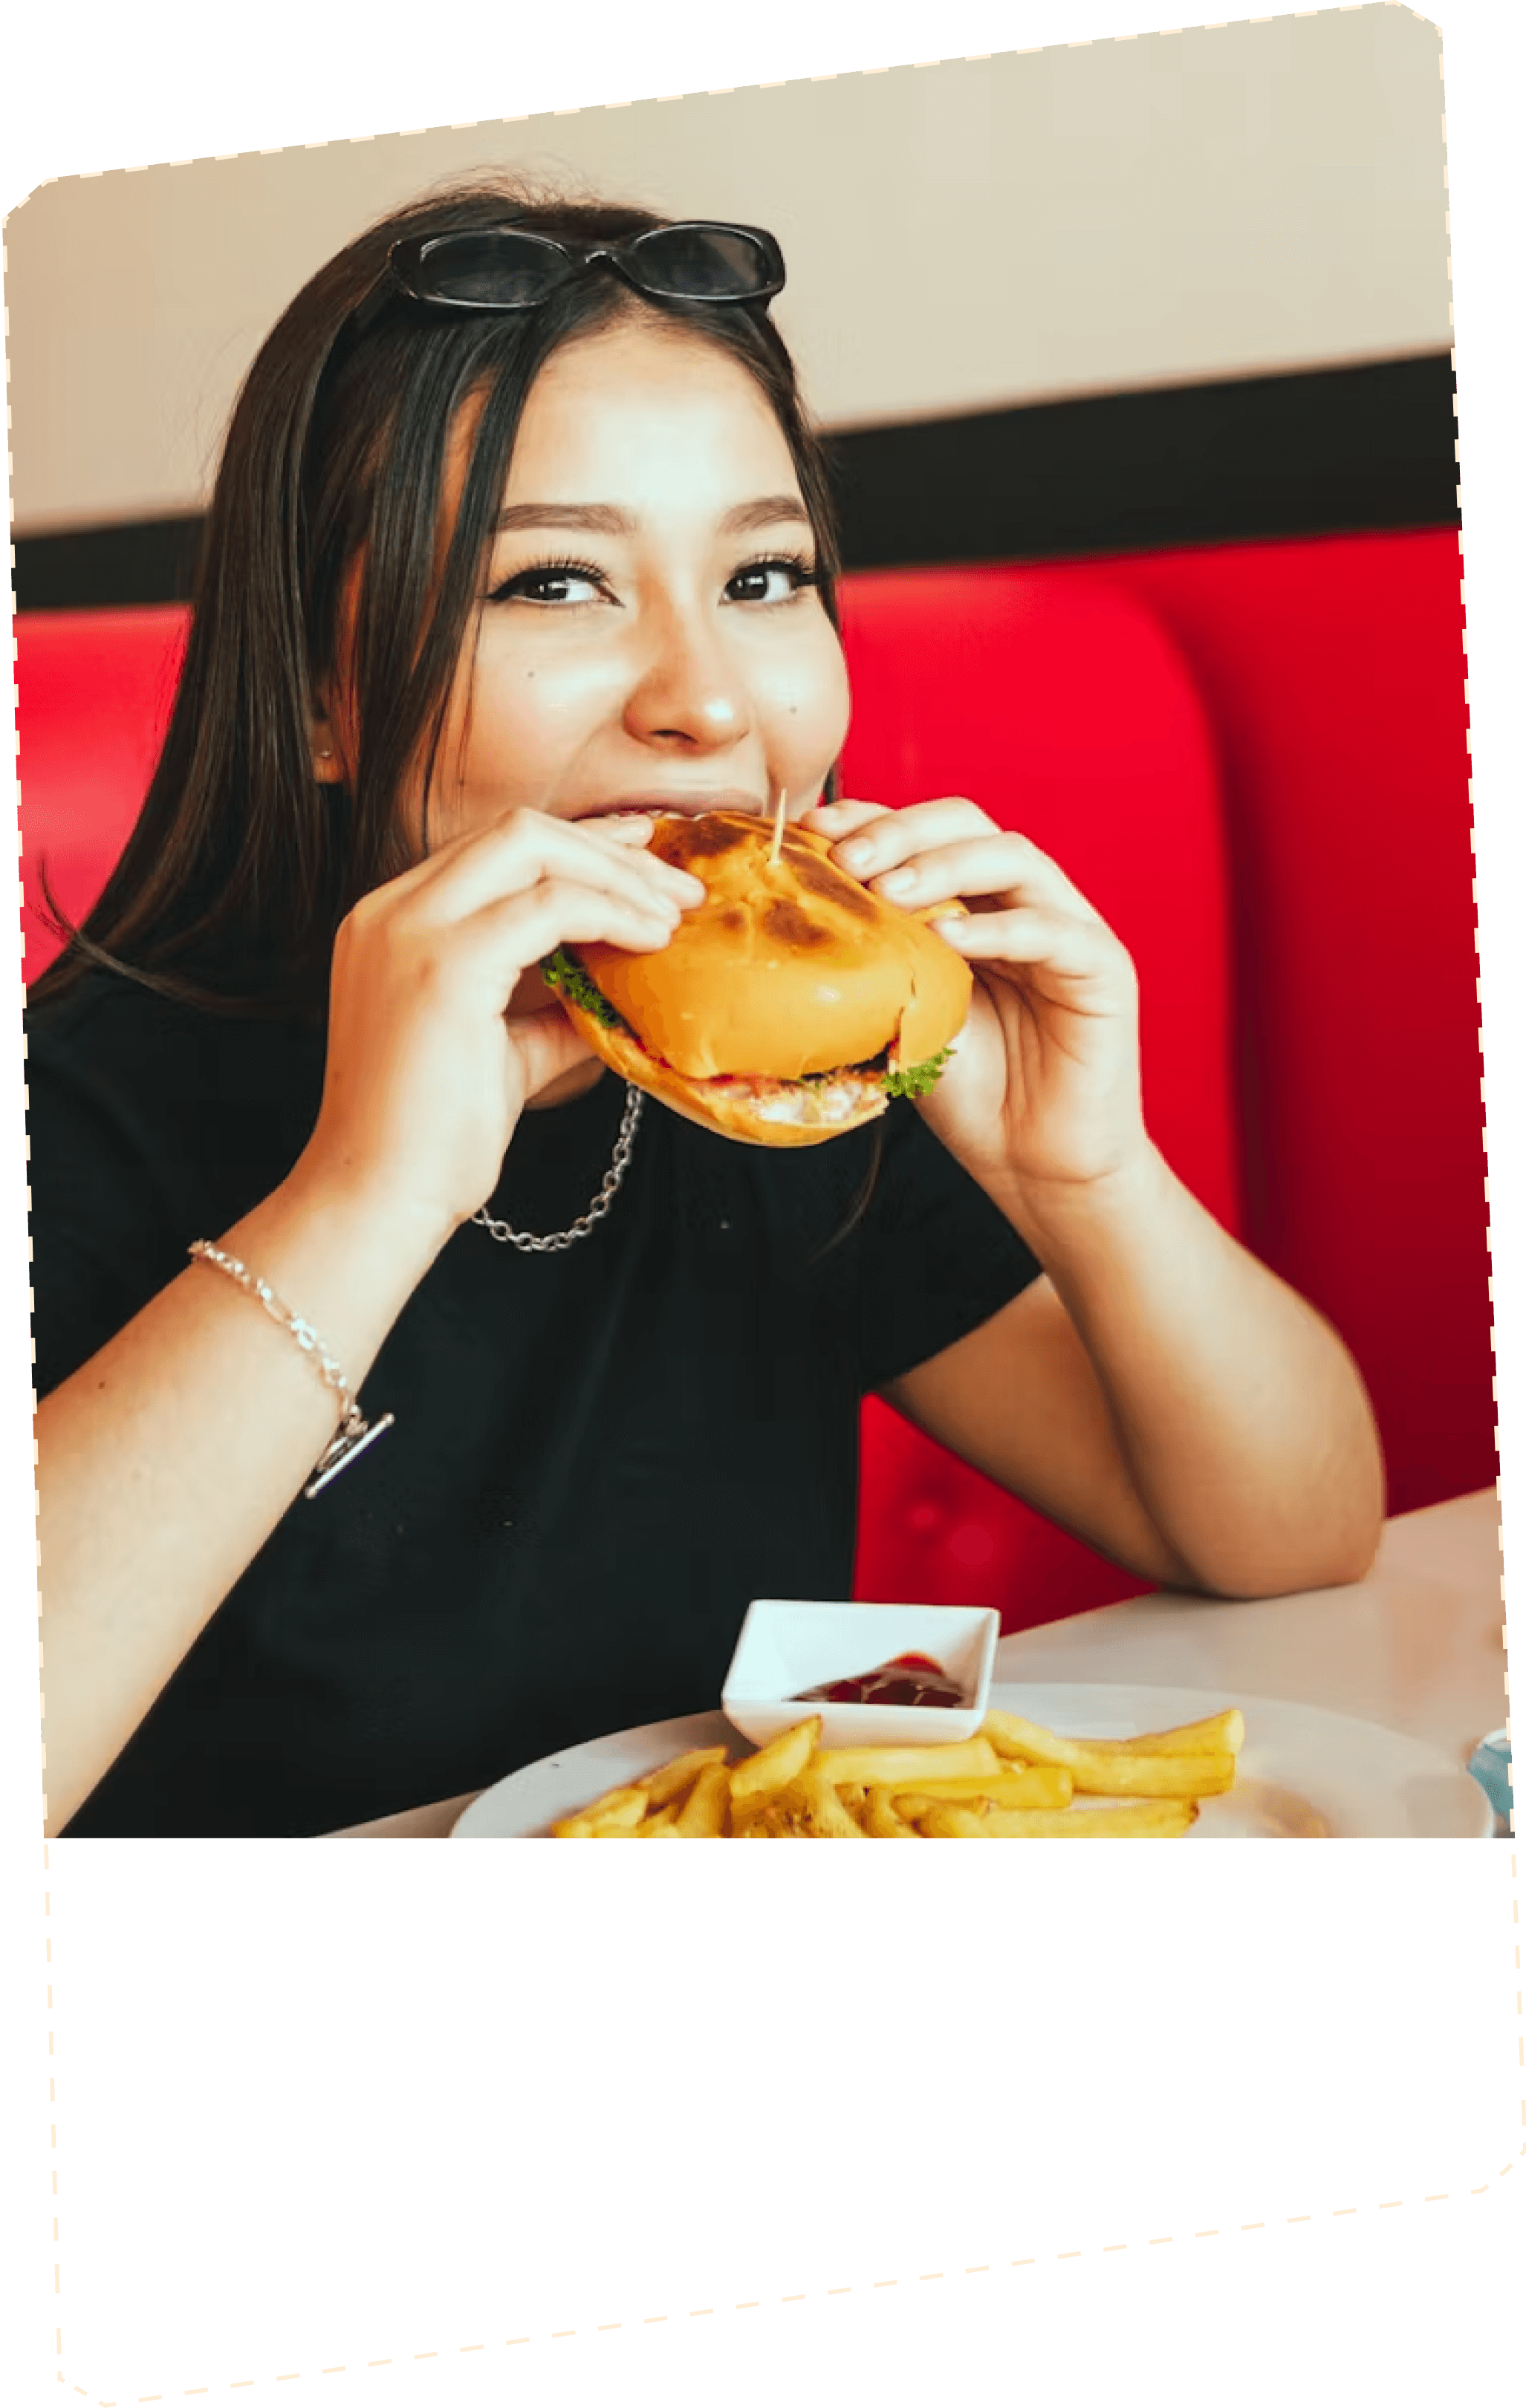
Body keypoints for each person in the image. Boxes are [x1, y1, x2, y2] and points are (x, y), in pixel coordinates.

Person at [27, 183, 1385, 1838]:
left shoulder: (763, 1082)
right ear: (323, 693)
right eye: (552, 585)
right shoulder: (79, 1107)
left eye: (762, 575)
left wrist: (1084, 1175)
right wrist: (368, 1193)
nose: (708, 700)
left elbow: (1297, 1532)